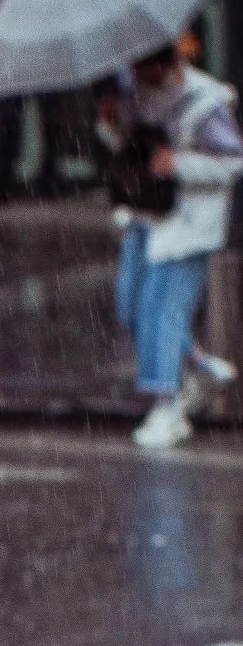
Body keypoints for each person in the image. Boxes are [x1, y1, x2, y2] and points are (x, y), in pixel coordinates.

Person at [100, 40, 243, 449]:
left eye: (145, 68)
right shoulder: (135, 96)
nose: (137, 76)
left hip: (187, 222)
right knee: (131, 306)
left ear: (166, 64)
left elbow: (233, 163)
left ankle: (168, 404)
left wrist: (179, 164)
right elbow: (132, 151)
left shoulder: (204, 103)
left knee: (160, 310)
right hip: (147, 214)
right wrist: (111, 126)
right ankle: (198, 365)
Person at [0, 0, 64, 208]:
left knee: (50, 123)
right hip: (17, 61)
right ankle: (1, 186)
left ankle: (48, 180)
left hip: (43, 59)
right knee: (8, 124)